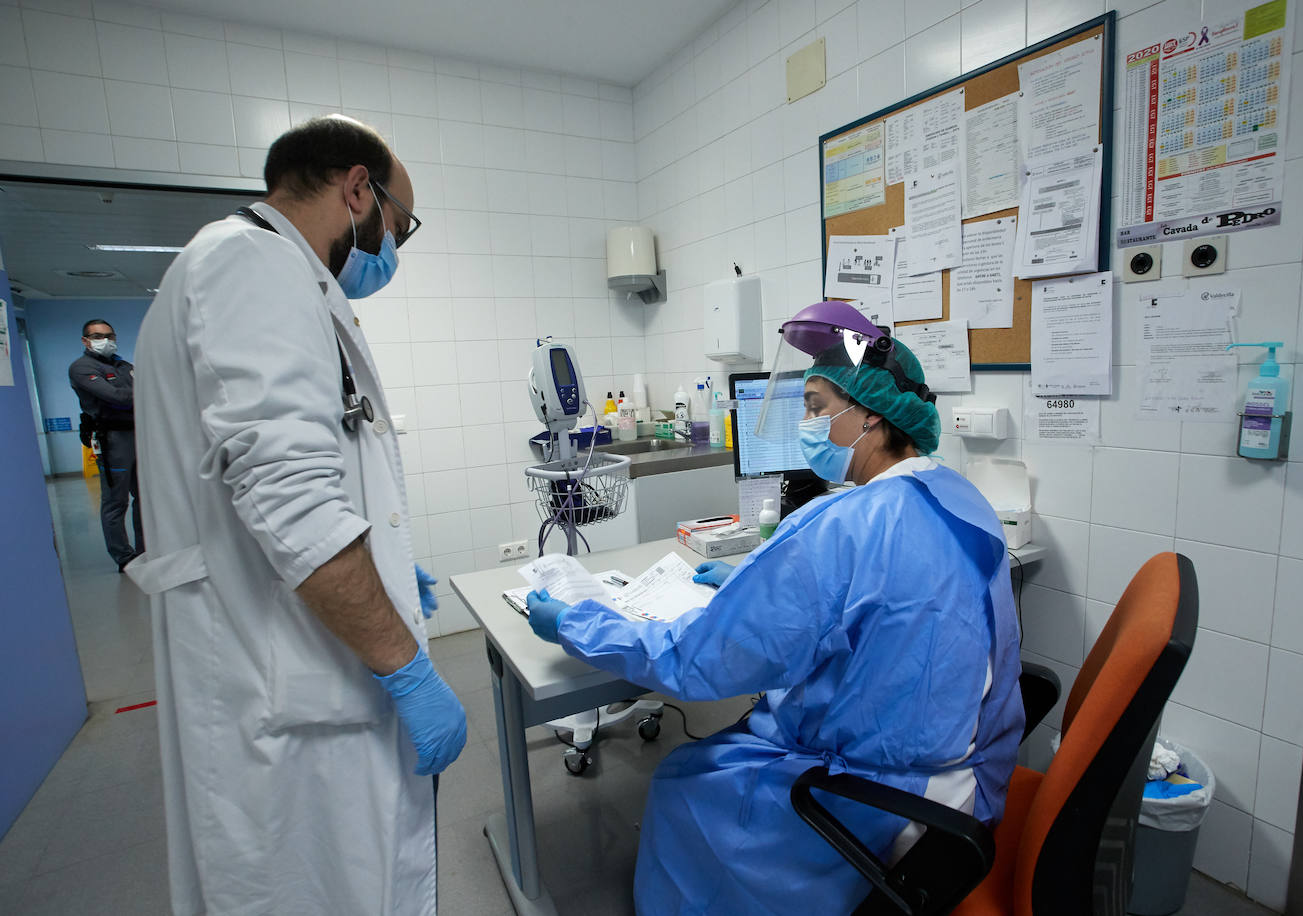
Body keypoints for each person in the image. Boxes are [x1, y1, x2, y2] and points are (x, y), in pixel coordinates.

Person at [525, 301, 1024, 914]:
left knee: (684, 783)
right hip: (974, 780)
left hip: (885, 805)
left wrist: (577, 621)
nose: (807, 422)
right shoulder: (956, 497)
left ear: (870, 416)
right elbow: (886, 608)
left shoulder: (844, 523)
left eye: (817, 406)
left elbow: (696, 658)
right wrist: (751, 582)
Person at [126, 115, 464, 916]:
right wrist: (408, 668)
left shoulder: (276, 274)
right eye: (398, 226)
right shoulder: (250, 263)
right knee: (311, 884)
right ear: (358, 189)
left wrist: (380, 560)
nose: (391, 250)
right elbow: (291, 496)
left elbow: (297, 476)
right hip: (276, 686)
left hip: (283, 650)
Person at [69, 319, 143, 570]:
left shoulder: (124, 366)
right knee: (116, 501)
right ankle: (124, 557)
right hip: (113, 440)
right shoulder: (81, 368)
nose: (106, 340)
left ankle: (147, 551)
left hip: (139, 436)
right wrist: (144, 391)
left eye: (110, 335)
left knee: (145, 498)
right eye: (98, 336)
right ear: (85, 340)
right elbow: (117, 398)